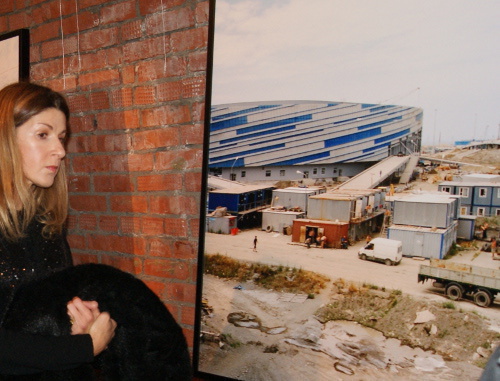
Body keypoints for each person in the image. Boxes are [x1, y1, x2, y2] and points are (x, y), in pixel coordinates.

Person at [0, 82, 116, 375]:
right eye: (43, 134)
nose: (60, 151)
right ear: (5, 140)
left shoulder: (46, 221)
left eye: (61, 137)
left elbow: (38, 312)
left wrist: (75, 323)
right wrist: (86, 346)